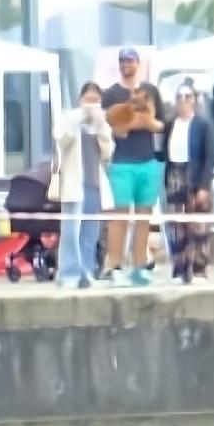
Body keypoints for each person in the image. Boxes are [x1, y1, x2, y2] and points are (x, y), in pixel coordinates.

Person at [101, 49, 165, 283]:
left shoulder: (151, 91)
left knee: (144, 217)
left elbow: (159, 125)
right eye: (122, 61)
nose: (125, 64)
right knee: (119, 216)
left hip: (148, 162)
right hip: (121, 163)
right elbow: (114, 127)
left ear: (138, 63)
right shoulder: (110, 94)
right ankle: (115, 267)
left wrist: (139, 122)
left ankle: (140, 267)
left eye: (130, 60)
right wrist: (140, 122)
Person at [55, 82, 111, 288]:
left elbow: (108, 151)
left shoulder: (100, 123)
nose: (92, 105)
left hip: (94, 184)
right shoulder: (68, 118)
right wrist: (78, 121)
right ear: (80, 100)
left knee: (90, 232)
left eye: (96, 101)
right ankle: (68, 274)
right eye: (88, 100)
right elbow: (62, 140)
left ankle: (87, 272)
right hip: (74, 184)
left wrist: (100, 126)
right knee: (71, 231)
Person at [163, 82, 214, 284]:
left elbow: (209, 157)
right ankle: (179, 268)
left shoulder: (203, 124)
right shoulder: (171, 124)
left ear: (194, 100)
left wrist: (204, 186)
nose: (183, 102)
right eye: (180, 97)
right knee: (177, 225)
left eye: (188, 97)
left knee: (198, 224)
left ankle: (199, 268)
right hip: (175, 174)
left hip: (195, 173)